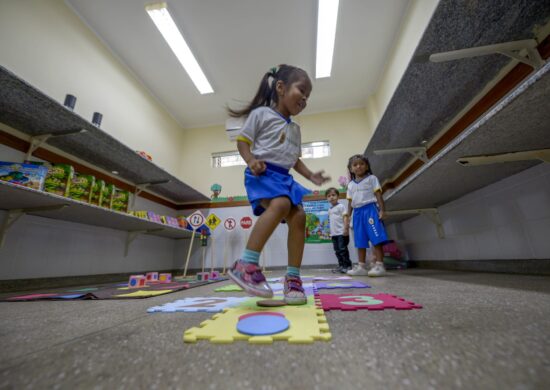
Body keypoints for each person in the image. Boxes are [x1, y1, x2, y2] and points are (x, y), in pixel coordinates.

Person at [226, 64, 330, 304]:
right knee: (282, 204)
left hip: (284, 177)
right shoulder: (261, 114)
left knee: (300, 216)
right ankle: (246, 264)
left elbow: (294, 159)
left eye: (308, 97)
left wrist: (311, 175)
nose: (304, 99)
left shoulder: (295, 128)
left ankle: (293, 279)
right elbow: (242, 142)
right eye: (301, 91)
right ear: (281, 88)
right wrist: (251, 160)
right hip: (262, 175)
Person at [345, 154, 388, 277]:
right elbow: (350, 202)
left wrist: (382, 210)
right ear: (351, 168)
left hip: (370, 210)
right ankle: (361, 266)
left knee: (376, 238)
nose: (358, 166)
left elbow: (379, 195)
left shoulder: (372, 178)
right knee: (360, 240)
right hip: (357, 214)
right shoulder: (350, 185)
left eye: (361, 164)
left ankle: (379, 265)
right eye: (355, 164)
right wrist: (348, 217)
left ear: (367, 166)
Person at [325, 187, 352, 273]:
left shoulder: (341, 206)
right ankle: (341, 265)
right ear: (327, 198)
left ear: (338, 196)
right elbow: (330, 221)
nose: (331, 197)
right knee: (337, 251)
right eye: (329, 196)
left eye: (333, 195)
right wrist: (330, 232)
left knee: (342, 250)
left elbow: (345, 217)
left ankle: (347, 265)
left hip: (341, 233)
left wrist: (346, 228)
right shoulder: (329, 209)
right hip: (334, 234)